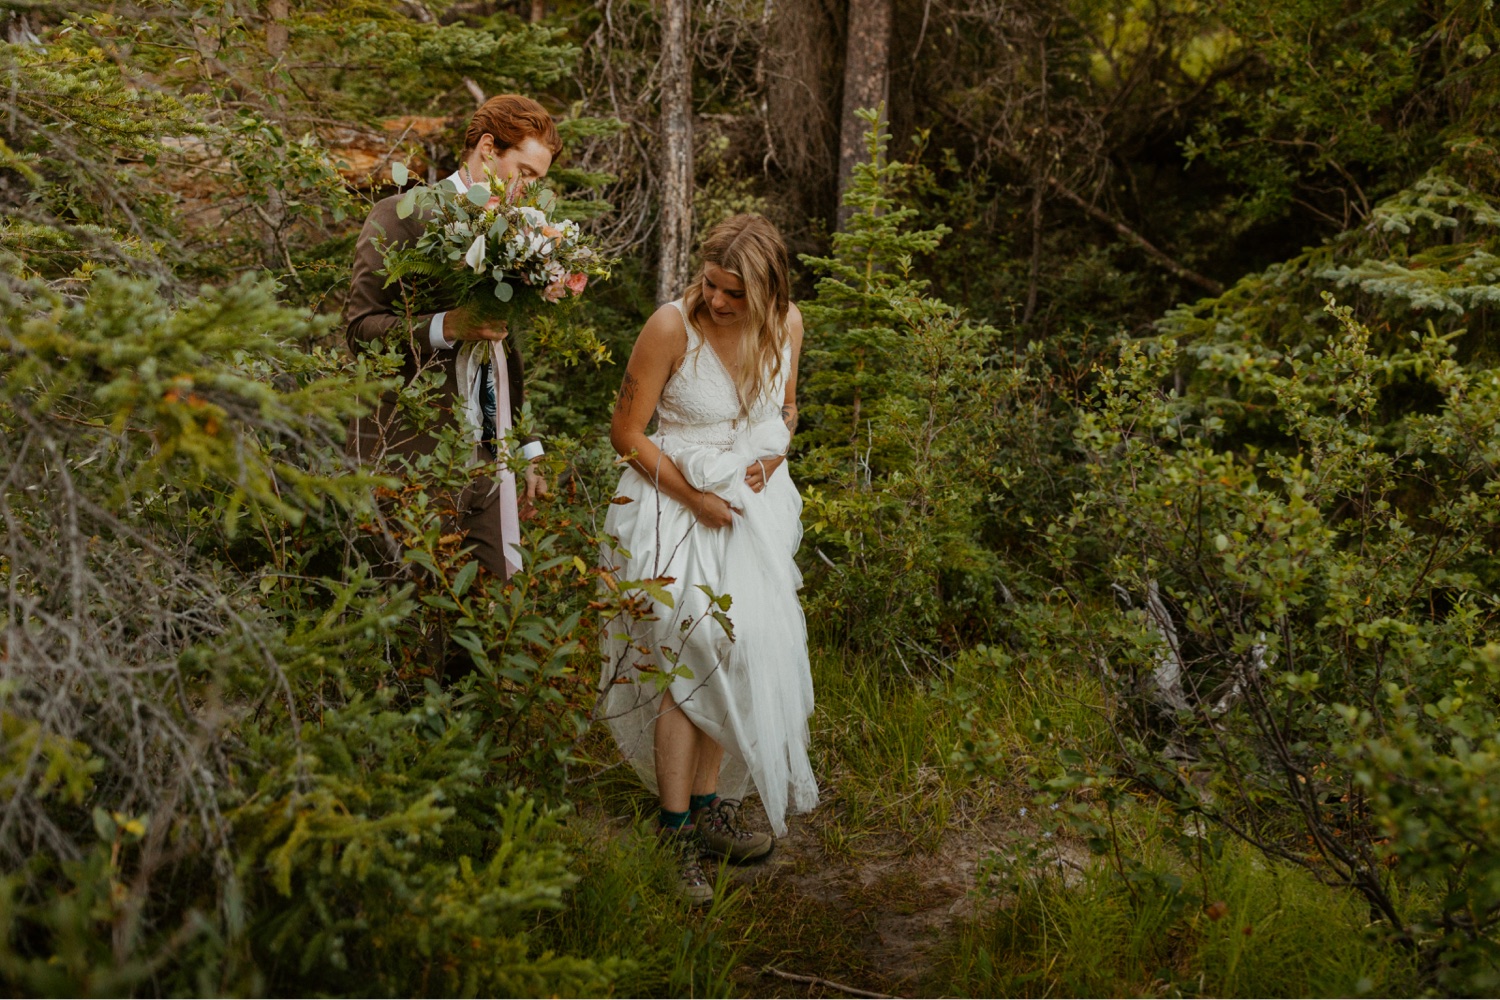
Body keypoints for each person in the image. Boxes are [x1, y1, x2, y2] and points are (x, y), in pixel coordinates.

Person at [599, 214, 818, 904]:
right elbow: (626, 433)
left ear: (769, 292)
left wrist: (777, 448)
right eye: (711, 285)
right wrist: (695, 498)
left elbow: (786, 410)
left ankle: (709, 807)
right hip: (671, 502)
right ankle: (674, 832)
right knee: (687, 647)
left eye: (734, 294)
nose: (718, 302)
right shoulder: (672, 327)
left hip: (754, 510)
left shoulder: (788, 326)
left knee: (742, 646)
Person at [344, 94, 558, 579]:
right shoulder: (401, 214)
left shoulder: (519, 232)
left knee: (495, 609)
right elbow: (359, 330)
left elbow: (505, 346)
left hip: (491, 453)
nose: (527, 189)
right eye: (523, 172)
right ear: (488, 148)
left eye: (537, 181)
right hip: (414, 455)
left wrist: (526, 448)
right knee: (418, 614)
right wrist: (447, 326)